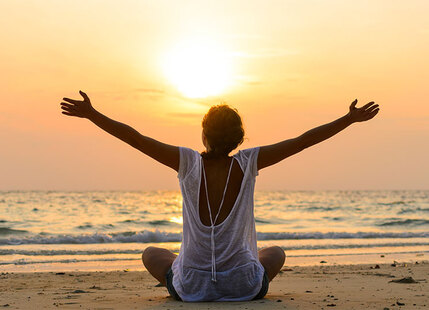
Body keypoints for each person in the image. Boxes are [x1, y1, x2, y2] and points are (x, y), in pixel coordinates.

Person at [60, 91, 379, 301]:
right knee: (276, 252)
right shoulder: (249, 161)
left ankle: (186, 273)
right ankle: (219, 272)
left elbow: (135, 138)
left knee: (151, 253)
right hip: (245, 286)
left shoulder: (186, 161)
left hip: (191, 288)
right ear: (240, 138)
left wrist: (92, 113)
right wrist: (348, 119)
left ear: (204, 133)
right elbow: (304, 140)